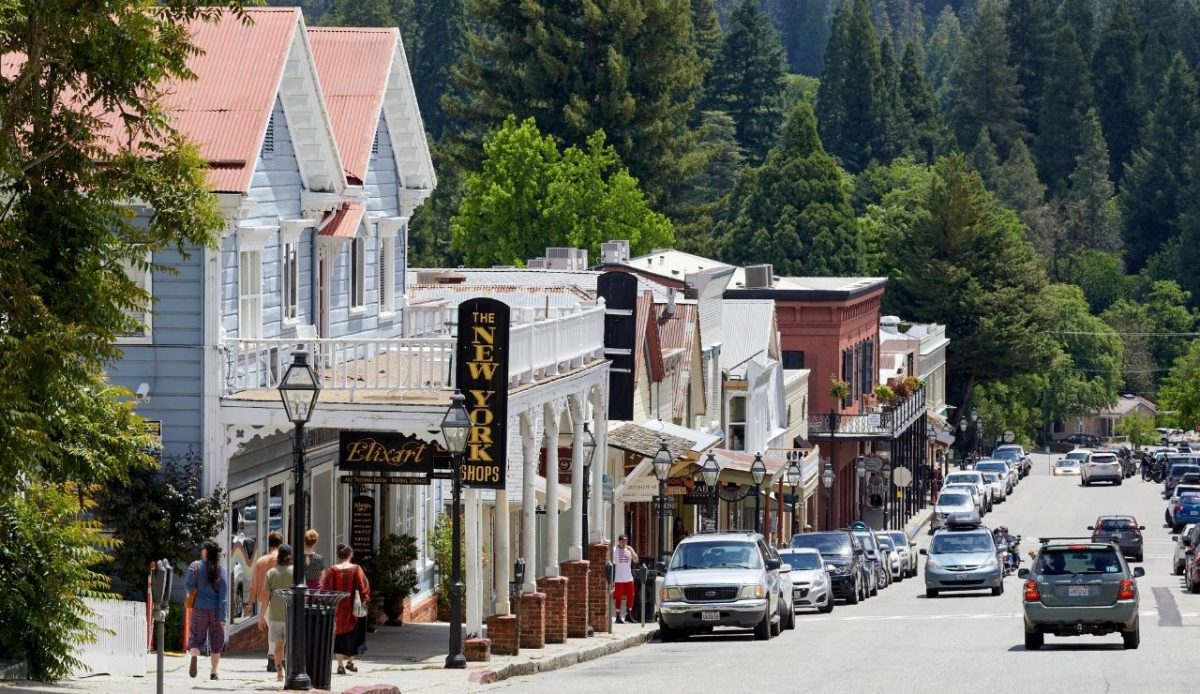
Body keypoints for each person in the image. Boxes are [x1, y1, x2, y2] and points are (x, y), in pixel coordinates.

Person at [321, 543, 370, 674]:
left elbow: (326, 589)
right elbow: (363, 586)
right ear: (351, 555)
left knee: (339, 637)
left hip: (337, 609)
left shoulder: (332, 570)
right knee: (355, 635)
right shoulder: (356, 569)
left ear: (338, 556)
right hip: (353, 609)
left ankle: (340, 665)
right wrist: (364, 599)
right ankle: (351, 662)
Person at [186, 541, 228, 681]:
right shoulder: (221, 571)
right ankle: (214, 672)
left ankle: (194, 655)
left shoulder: (195, 566)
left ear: (205, 552)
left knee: (197, 637)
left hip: (200, 608)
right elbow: (223, 598)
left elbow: (188, 586)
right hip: (216, 611)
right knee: (216, 641)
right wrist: (223, 618)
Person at [247, 530, 284, 672]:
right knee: (278, 631)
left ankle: (271, 658)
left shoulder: (261, 561)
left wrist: (249, 604)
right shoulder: (283, 561)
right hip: (280, 599)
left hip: (264, 600)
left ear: (269, 544)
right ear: (280, 544)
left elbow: (253, 585)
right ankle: (274, 658)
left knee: (272, 630)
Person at [259, 544, 293, 682]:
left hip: (275, 615)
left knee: (278, 645)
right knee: (292, 645)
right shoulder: (296, 572)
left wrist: (261, 616)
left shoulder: (271, 573)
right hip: (292, 615)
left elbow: (266, 596)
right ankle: (291, 671)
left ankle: (280, 671)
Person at [612, 534, 637, 624]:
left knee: (631, 595)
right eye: (622, 541)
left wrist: (632, 551)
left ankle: (628, 614)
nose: (624, 543)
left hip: (628, 577)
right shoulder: (615, 550)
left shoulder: (629, 550)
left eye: (625, 541)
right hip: (618, 578)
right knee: (618, 597)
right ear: (619, 541)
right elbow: (610, 561)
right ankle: (618, 616)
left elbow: (636, 560)